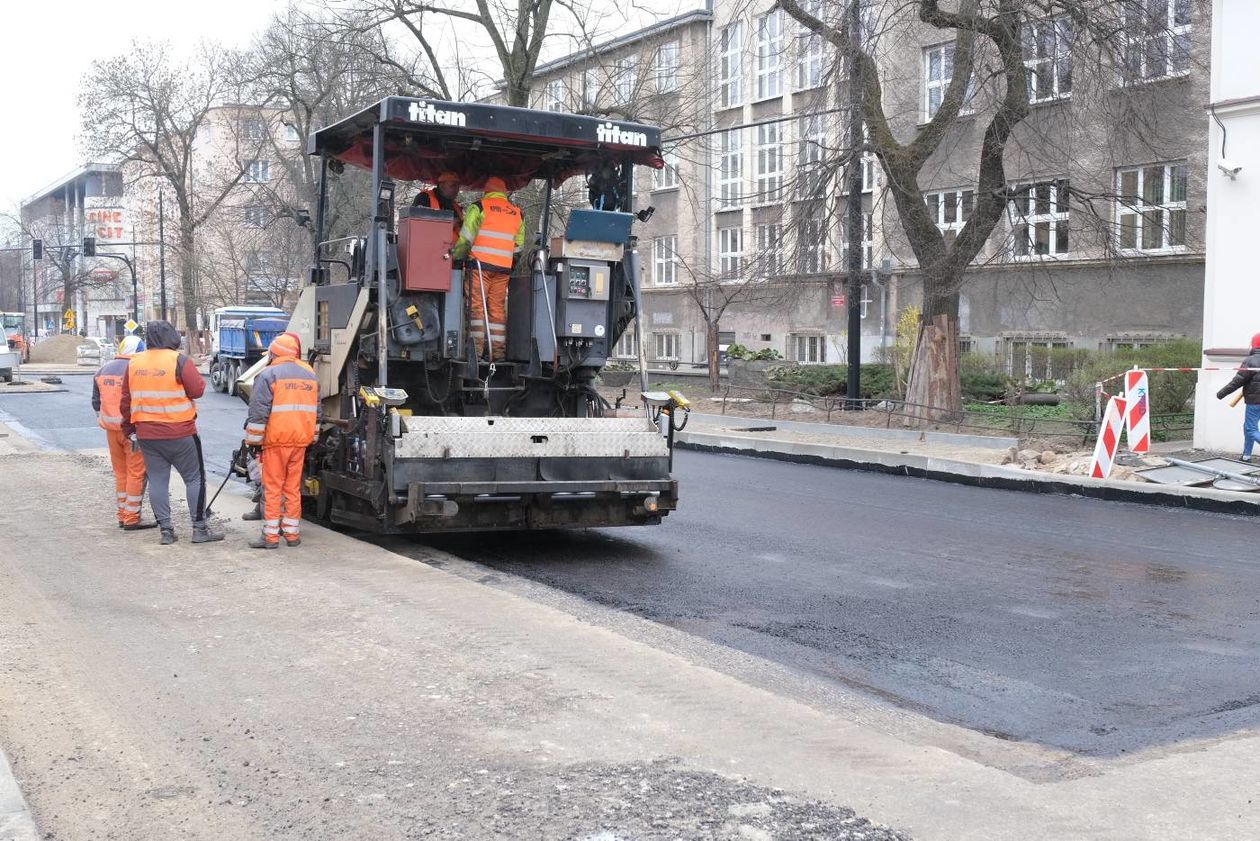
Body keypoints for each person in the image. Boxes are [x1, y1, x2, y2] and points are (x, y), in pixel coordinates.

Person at [120, 320, 224, 545]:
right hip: (181, 432)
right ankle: (199, 529)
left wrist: (129, 430)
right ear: (171, 338)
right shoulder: (179, 361)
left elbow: (125, 402)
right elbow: (197, 390)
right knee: (194, 479)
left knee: (157, 480)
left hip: (147, 434)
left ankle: (166, 531)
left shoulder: (134, 363)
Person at [243, 332, 320, 549]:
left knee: (273, 488)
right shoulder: (309, 374)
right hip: (300, 441)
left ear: (274, 353)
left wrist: (253, 441)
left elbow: (258, 411)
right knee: (292, 488)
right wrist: (312, 437)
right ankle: (292, 535)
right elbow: (317, 410)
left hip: (276, 441)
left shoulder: (269, 374)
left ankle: (270, 537)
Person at [450, 176, 525, 362]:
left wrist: (456, 258)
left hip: (479, 267)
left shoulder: (480, 207)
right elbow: (519, 247)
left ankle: (475, 352)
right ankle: (497, 354)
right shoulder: (517, 213)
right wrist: (509, 262)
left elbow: (466, 239)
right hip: (503, 270)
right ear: (504, 192)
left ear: (487, 191)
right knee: (497, 309)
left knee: (476, 308)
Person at [92, 334, 156, 530]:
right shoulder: (137, 369)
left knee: (120, 473)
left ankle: (122, 514)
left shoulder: (102, 370)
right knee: (136, 473)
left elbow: (96, 402)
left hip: (111, 431)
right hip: (132, 431)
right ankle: (131, 518)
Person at [1216, 332, 1260, 462]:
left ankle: (1246, 455)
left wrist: (1221, 393)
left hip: (1254, 402)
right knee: (1248, 427)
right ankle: (1246, 456)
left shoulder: (1250, 361)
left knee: (1250, 429)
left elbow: (1237, 381)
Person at [412, 171, 463, 236]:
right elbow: (416, 226)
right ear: (441, 186)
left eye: (458, 186)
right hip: (430, 244)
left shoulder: (456, 206)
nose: (457, 189)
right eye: (453, 186)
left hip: (455, 245)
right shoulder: (424, 198)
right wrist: (446, 224)